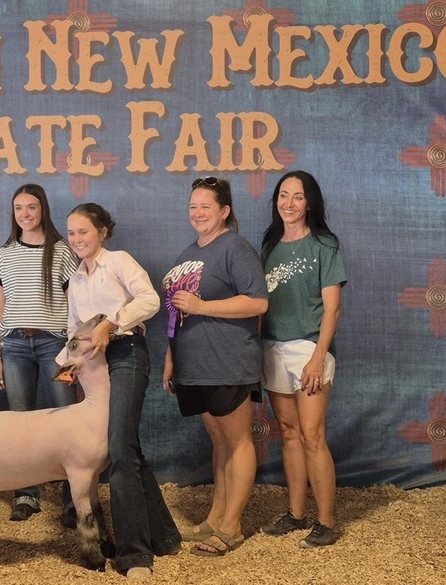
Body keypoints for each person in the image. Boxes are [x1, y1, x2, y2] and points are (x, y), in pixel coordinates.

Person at [65, 203, 181, 579]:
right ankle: (164, 537)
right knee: (126, 447)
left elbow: (149, 299)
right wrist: (68, 365)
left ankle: (135, 556)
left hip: (127, 353)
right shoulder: (77, 278)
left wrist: (112, 324)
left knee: (117, 449)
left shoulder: (118, 261)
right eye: (71, 233)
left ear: (102, 231)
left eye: (83, 231)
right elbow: (74, 329)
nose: (77, 239)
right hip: (94, 364)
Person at [161, 177, 268, 557]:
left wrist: (204, 306)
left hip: (228, 361)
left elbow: (258, 303)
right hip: (194, 365)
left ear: (224, 211)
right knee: (220, 442)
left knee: (237, 442)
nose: (198, 213)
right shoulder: (187, 252)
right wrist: (171, 358)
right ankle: (216, 518)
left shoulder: (235, 248)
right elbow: (177, 313)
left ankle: (233, 527)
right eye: (193, 206)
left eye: (205, 206)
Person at [258, 170, 347, 548]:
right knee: (289, 434)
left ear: (310, 202)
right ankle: (296, 514)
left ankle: (326, 522)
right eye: (283, 195)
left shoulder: (324, 244)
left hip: (309, 349)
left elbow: (333, 310)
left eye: (297, 196)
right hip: (273, 348)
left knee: (312, 436)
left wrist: (317, 357)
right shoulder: (269, 244)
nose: (288, 203)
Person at [0, 183, 80, 526]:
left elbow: (76, 305)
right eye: (18, 208)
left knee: (67, 420)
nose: (24, 214)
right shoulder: (5, 253)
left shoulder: (62, 250)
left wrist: (73, 351)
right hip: (13, 345)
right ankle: (27, 493)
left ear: (43, 209)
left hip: (54, 346)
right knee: (21, 423)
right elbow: (0, 307)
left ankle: (75, 498)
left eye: (31, 207)